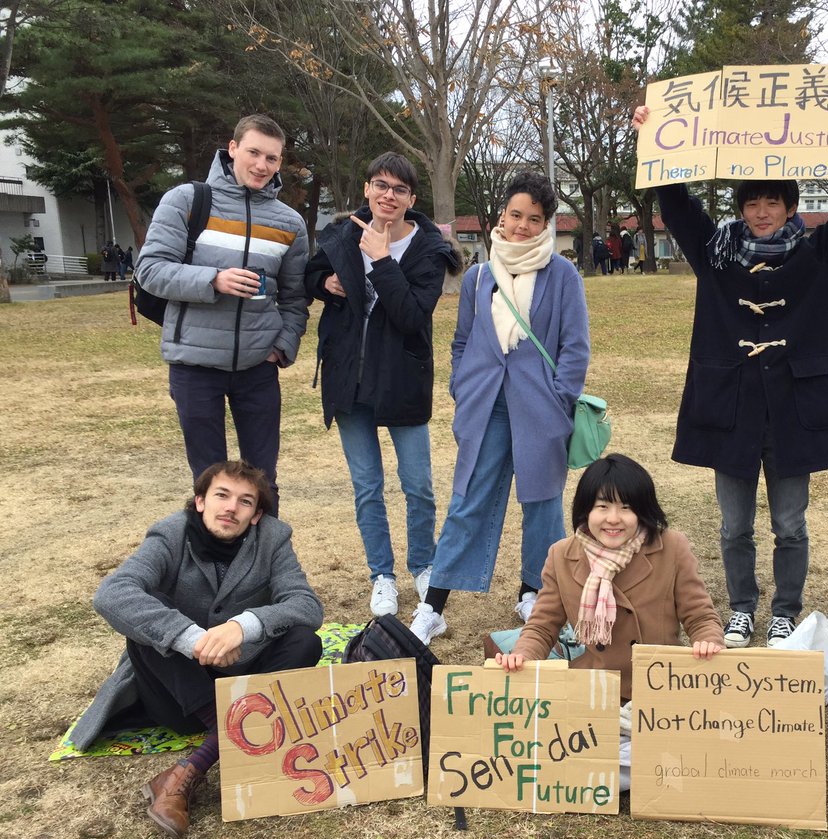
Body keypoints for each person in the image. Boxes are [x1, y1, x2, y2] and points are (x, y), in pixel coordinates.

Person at [631, 95, 828, 650]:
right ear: (742, 208)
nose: (763, 212)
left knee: (791, 524)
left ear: (790, 207)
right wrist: (654, 137)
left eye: (774, 202)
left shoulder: (817, 253)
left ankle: (785, 610)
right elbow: (675, 201)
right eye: (754, 203)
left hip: (796, 404)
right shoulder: (715, 253)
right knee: (733, 525)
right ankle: (743, 608)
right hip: (731, 403)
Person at [75, 461, 324, 837]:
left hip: (243, 681)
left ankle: (186, 772)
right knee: (148, 619)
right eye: (221, 496)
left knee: (306, 640)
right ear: (200, 502)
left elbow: (306, 605)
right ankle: (239, 733)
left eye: (244, 502)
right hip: (179, 695)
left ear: (256, 515)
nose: (230, 508)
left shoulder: (274, 538)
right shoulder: (170, 534)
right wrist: (192, 639)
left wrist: (243, 626)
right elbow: (111, 594)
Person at [410, 172, 590, 644]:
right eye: (516, 215)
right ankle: (434, 607)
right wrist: (461, 388)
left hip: (541, 410)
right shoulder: (479, 276)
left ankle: (535, 592)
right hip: (484, 405)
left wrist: (558, 398)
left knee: (543, 505)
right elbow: (463, 341)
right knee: (468, 501)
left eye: (535, 218)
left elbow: (575, 348)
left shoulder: (563, 274)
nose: (523, 226)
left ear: (547, 223)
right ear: (501, 217)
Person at [497, 454, 725, 789]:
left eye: (627, 507)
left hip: (658, 691)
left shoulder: (671, 547)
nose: (613, 519)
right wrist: (523, 656)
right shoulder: (561, 555)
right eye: (602, 507)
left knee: (693, 751)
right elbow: (543, 625)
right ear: (586, 511)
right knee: (545, 748)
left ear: (643, 511)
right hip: (595, 690)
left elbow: (700, 614)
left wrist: (709, 640)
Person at [305, 152, 463, 618]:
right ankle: (383, 576)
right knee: (367, 486)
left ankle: (424, 564)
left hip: (402, 380)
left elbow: (413, 315)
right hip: (349, 380)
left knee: (418, 485)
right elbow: (310, 275)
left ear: (412, 199)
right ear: (367, 188)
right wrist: (325, 283)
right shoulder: (342, 232)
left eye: (398, 189)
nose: (387, 195)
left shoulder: (429, 250)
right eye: (380, 185)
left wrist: (379, 260)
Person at [137, 113, 309, 496]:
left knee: (262, 483)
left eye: (272, 158)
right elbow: (149, 270)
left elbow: (296, 299)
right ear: (232, 149)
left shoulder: (290, 222)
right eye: (254, 153)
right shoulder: (186, 200)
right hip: (195, 367)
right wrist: (213, 280)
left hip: (257, 370)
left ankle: (265, 557)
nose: (262, 165)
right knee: (211, 483)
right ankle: (213, 557)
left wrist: (281, 349)